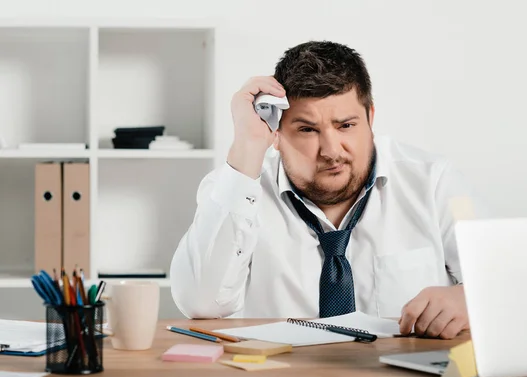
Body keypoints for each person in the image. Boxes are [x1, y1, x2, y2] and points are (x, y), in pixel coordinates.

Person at [170, 40, 487, 339]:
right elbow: (201, 303)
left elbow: (503, 280)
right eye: (307, 129)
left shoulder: (436, 182)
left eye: (346, 125)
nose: (331, 150)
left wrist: (469, 298)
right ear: (276, 132)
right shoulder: (236, 186)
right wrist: (247, 147)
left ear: (370, 118)